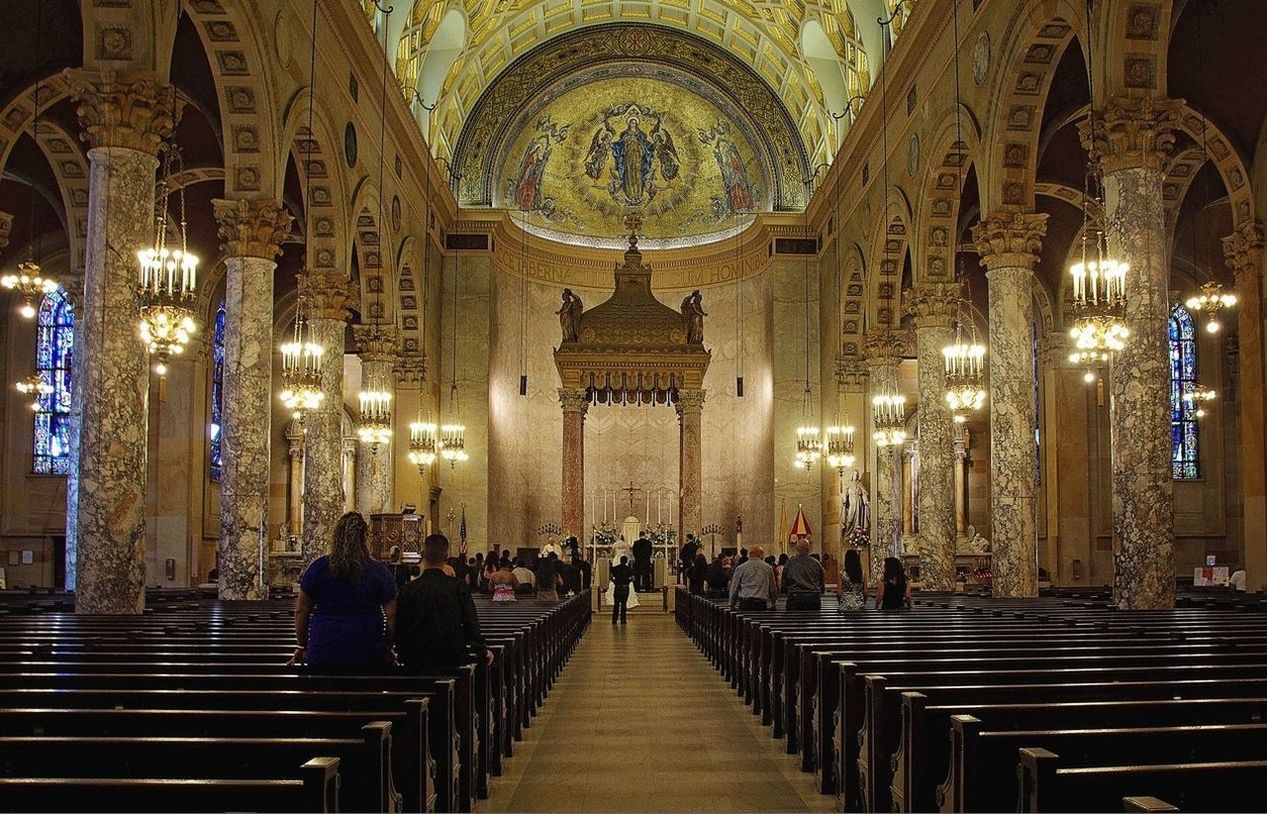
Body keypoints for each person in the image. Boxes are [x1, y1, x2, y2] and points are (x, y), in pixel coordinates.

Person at [291, 511, 397, 674]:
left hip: (324, 647)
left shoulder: (319, 567)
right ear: (364, 538)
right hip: (367, 648)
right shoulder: (378, 571)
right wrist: (387, 646)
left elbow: (301, 611)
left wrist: (302, 645)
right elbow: (392, 615)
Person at [394, 532, 493, 674]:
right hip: (451, 658)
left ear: (423, 555)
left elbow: (401, 626)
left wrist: (402, 654)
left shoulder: (407, 589)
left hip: (415, 661)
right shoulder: (458, 587)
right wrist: (482, 651)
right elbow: (470, 622)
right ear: (446, 557)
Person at [729, 544, 776, 611]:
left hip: (745, 602)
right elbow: (772, 588)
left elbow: (734, 588)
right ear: (760, 555)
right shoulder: (768, 568)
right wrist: (773, 602)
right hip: (761, 603)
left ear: (749, 555)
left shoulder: (740, 568)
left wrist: (732, 603)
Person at [782, 540, 825, 611]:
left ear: (797, 549)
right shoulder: (816, 563)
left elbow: (784, 581)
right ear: (808, 549)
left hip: (795, 598)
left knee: (792, 620)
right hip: (813, 598)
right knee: (814, 620)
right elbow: (822, 580)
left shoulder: (790, 563)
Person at [610, 555, 634, 624]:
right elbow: (633, 578)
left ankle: (614, 620)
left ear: (620, 560)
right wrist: (628, 581)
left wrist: (615, 581)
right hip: (625, 587)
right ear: (626, 561)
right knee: (624, 604)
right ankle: (623, 620)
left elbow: (611, 577)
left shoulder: (615, 568)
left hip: (617, 587)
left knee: (616, 604)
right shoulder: (629, 569)